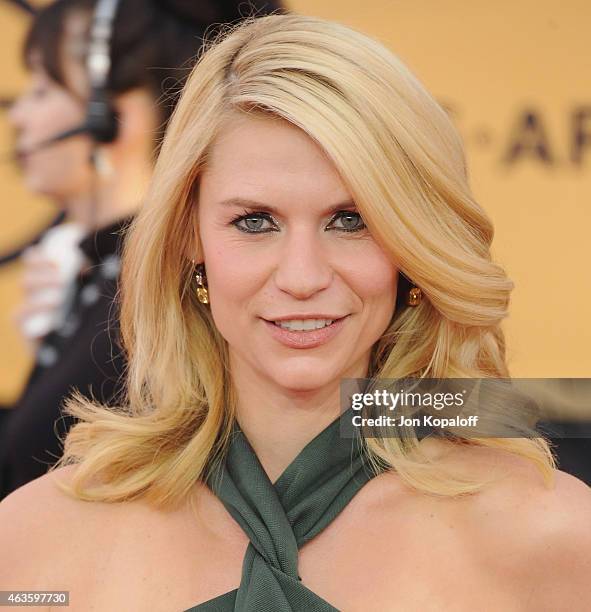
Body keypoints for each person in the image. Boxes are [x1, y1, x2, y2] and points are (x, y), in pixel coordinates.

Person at [1, 13, 590, 611]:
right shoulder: (37, 542)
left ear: (413, 244)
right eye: (254, 222)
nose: (303, 277)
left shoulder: (551, 537)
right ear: (189, 238)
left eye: (350, 220)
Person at [0, 0, 284, 499]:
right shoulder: (103, 275)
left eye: (43, 89)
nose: (18, 114)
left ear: (112, 117)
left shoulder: (154, 285)